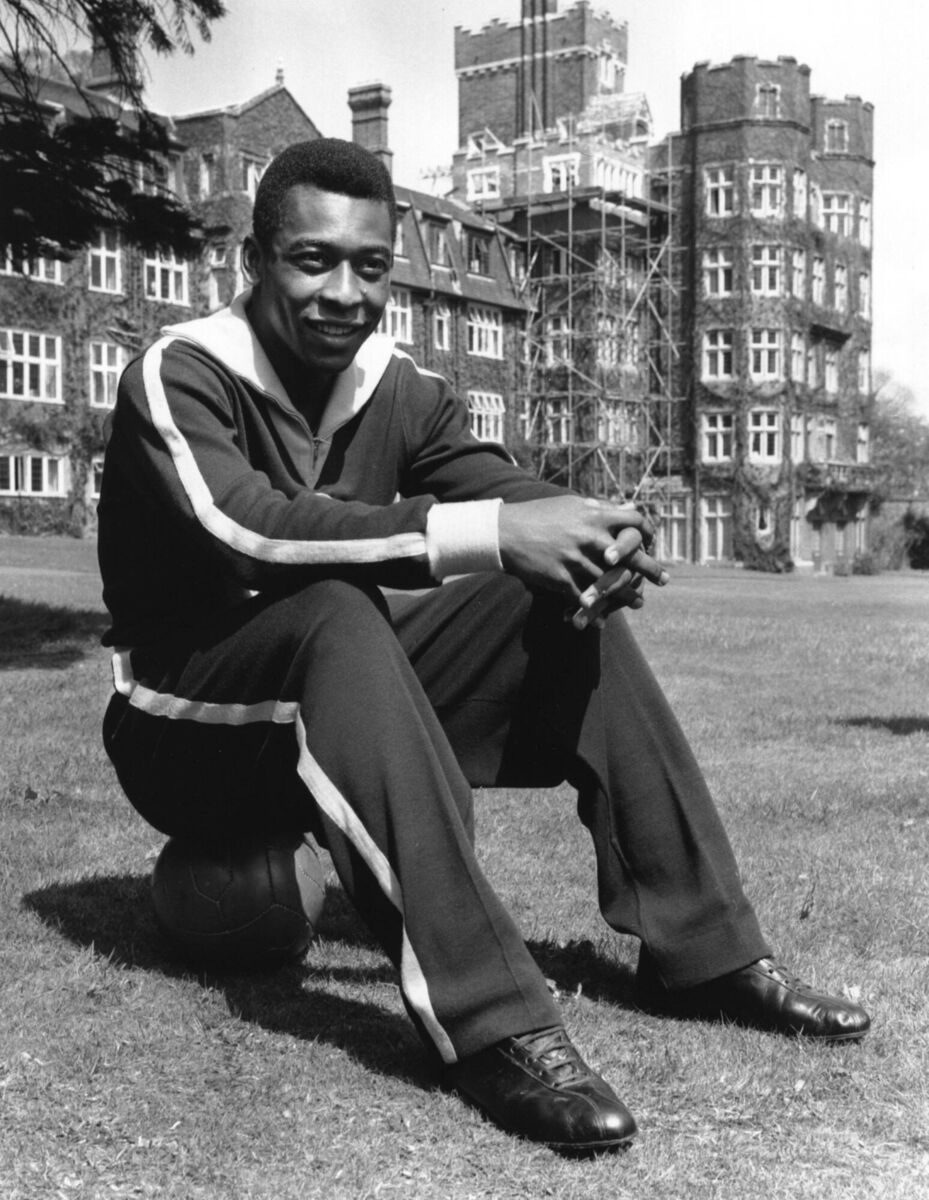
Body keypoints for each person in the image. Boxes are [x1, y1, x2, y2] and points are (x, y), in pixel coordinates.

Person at [98, 138, 870, 1155]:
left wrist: (589, 527)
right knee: (333, 605)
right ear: (254, 258)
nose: (344, 291)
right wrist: (495, 535)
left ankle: (704, 951)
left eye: (370, 266)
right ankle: (493, 1024)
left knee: (540, 600)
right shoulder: (182, 370)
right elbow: (250, 527)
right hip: (186, 726)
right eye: (312, 260)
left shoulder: (398, 387)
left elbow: (490, 484)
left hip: (340, 704)